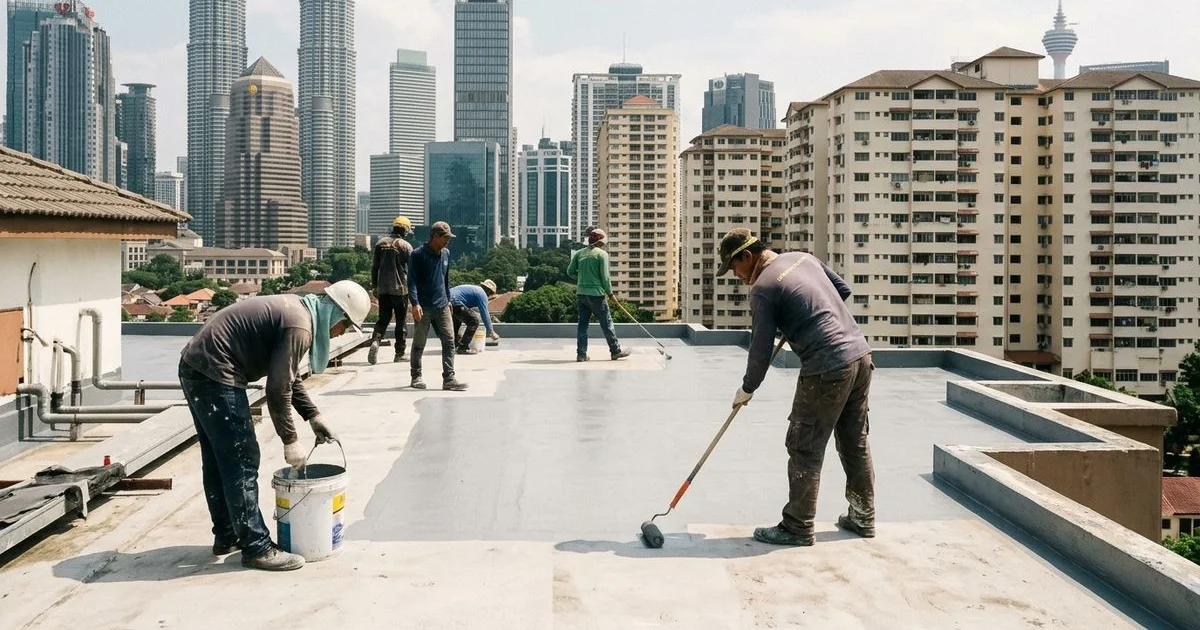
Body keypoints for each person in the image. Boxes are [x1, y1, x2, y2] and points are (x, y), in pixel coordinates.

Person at [178, 280, 370, 570]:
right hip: (215, 372)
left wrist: (313, 416)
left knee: (220, 460)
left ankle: (228, 533)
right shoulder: (300, 327)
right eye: (345, 327)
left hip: (197, 365)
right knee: (242, 458)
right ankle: (256, 547)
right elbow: (278, 389)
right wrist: (290, 440)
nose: (341, 333)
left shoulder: (299, 312)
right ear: (337, 315)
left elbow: (288, 376)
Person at [717, 228, 875, 547]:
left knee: (804, 445)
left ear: (746, 257)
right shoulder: (803, 257)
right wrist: (803, 312)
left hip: (826, 367)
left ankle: (797, 526)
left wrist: (747, 388)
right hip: (860, 356)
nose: (735, 275)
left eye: (733, 267)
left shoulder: (763, 287)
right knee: (853, 439)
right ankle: (863, 516)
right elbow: (841, 290)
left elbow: (760, 349)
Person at [407, 221, 468, 391]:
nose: (448, 241)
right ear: (435, 236)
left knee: (449, 341)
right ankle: (416, 376)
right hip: (424, 307)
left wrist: (448, 300)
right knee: (419, 343)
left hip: (442, 305)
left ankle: (449, 378)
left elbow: (445, 279)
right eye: (445, 238)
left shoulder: (446, 254)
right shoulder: (418, 255)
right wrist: (415, 303)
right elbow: (411, 281)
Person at [566, 228, 630, 362]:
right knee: (606, 323)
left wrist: (582, 278)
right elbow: (605, 278)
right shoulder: (602, 255)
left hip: (582, 294)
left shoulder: (579, 253)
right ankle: (615, 351)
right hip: (597, 295)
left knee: (582, 325)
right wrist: (610, 294)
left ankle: (581, 354)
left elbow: (569, 271)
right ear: (601, 242)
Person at [368, 216, 414, 365]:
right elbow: (413, 270)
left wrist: (374, 286)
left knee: (383, 319)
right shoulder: (406, 246)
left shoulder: (380, 243)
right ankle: (399, 353)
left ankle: (376, 341)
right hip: (400, 290)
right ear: (405, 230)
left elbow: (375, 267)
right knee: (401, 321)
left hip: (383, 289)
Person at [450, 279, 500, 354]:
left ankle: (454, 345)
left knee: (457, 321)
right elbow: (485, 314)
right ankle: (463, 347)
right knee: (474, 321)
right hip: (455, 302)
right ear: (489, 291)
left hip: (446, 300)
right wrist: (491, 331)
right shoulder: (482, 294)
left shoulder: (474, 290)